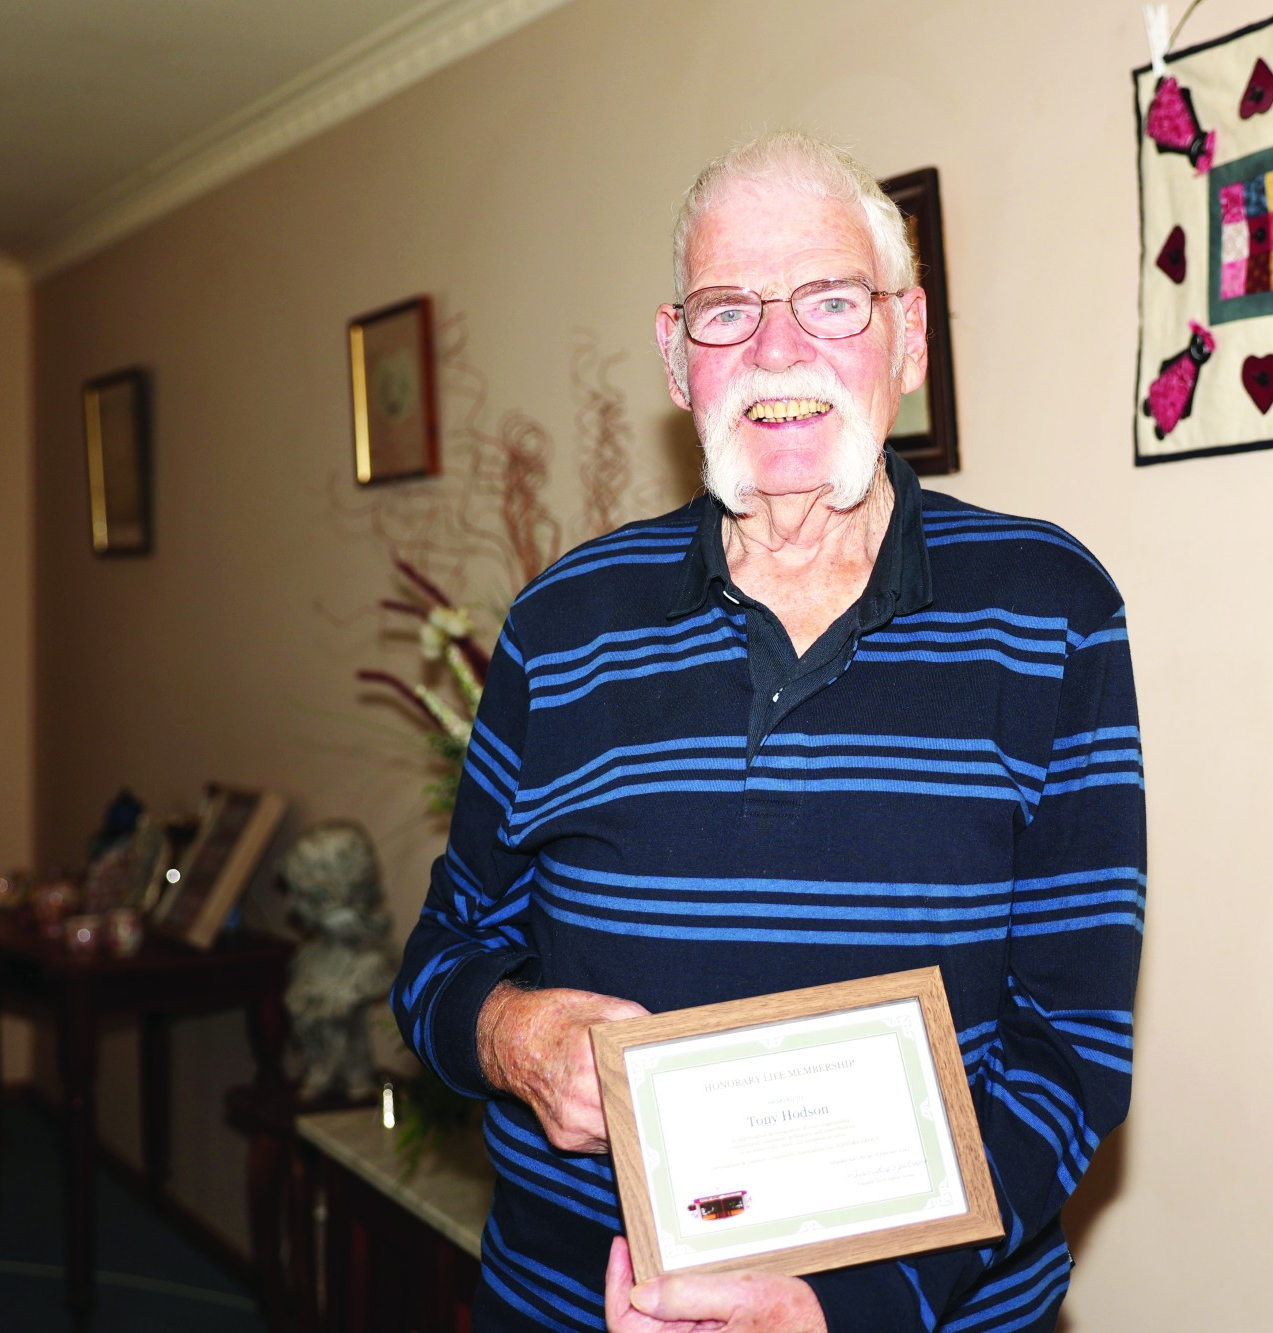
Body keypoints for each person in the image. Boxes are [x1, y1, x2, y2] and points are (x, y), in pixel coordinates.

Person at [393, 130, 1145, 1333]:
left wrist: (847, 1311)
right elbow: (439, 953)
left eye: (830, 301)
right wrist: (507, 1030)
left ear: (906, 337)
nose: (777, 348)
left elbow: (1073, 1048)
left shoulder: (1049, 611)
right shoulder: (562, 620)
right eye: (726, 310)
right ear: (676, 358)